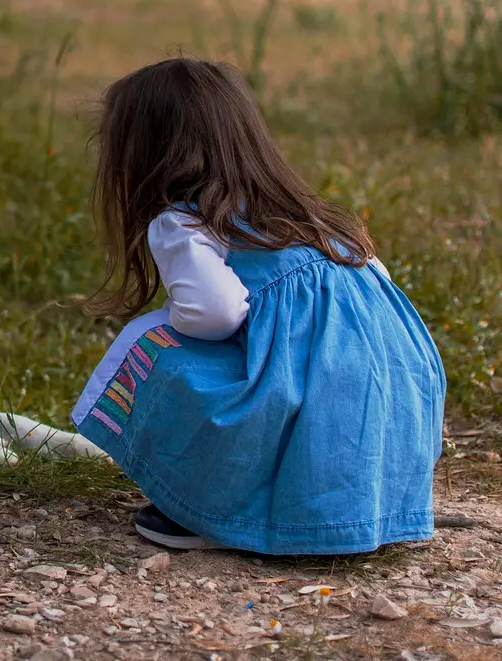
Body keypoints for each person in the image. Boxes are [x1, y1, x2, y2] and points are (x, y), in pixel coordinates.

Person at [71, 57, 446, 555]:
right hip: (394, 404)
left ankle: (212, 508)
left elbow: (215, 313)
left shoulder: (185, 222)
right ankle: (357, 505)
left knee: (154, 343)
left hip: (310, 402)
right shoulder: (313, 218)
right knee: (305, 370)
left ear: (145, 156)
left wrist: (176, 322)